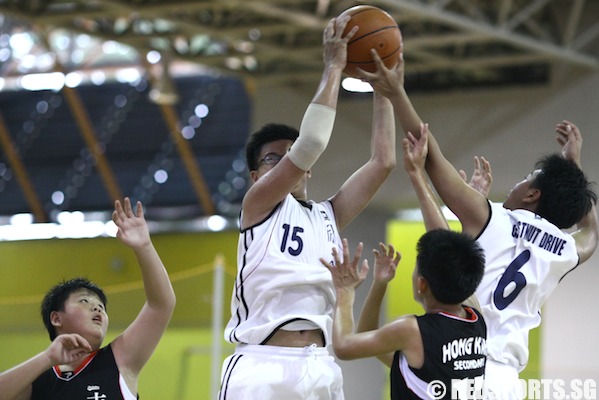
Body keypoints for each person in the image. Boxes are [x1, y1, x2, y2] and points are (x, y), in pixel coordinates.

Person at [360, 50, 599, 399]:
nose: (517, 183)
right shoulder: (567, 250)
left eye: (525, 178)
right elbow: (591, 231)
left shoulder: (493, 217)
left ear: (532, 194)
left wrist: (397, 92)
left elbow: (432, 158)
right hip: (507, 382)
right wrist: (572, 168)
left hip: (463, 360)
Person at [218, 14, 398, 400]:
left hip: (319, 365)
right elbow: (312, 142)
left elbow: (383, 162)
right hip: (261, 364)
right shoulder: (259, 206)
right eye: (273, 159)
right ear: (254, 176)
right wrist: (334, 66)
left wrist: (383, 90)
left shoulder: (327, 215)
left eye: (290, 155)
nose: (286, 162)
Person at [320, 126, 488, 400]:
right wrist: (380, 284)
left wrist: (345, 292)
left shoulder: (411, 330)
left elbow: (344, 346)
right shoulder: (475, 319)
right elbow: (442, 240)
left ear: (421, 284)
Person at [0, 197, 176, 400]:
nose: (97, 309)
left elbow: (161, 305)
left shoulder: (120, 359)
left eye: (101, 306)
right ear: (56, 318)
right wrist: (47, 358)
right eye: (85, 301)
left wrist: (144, 246)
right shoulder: (39, 379)